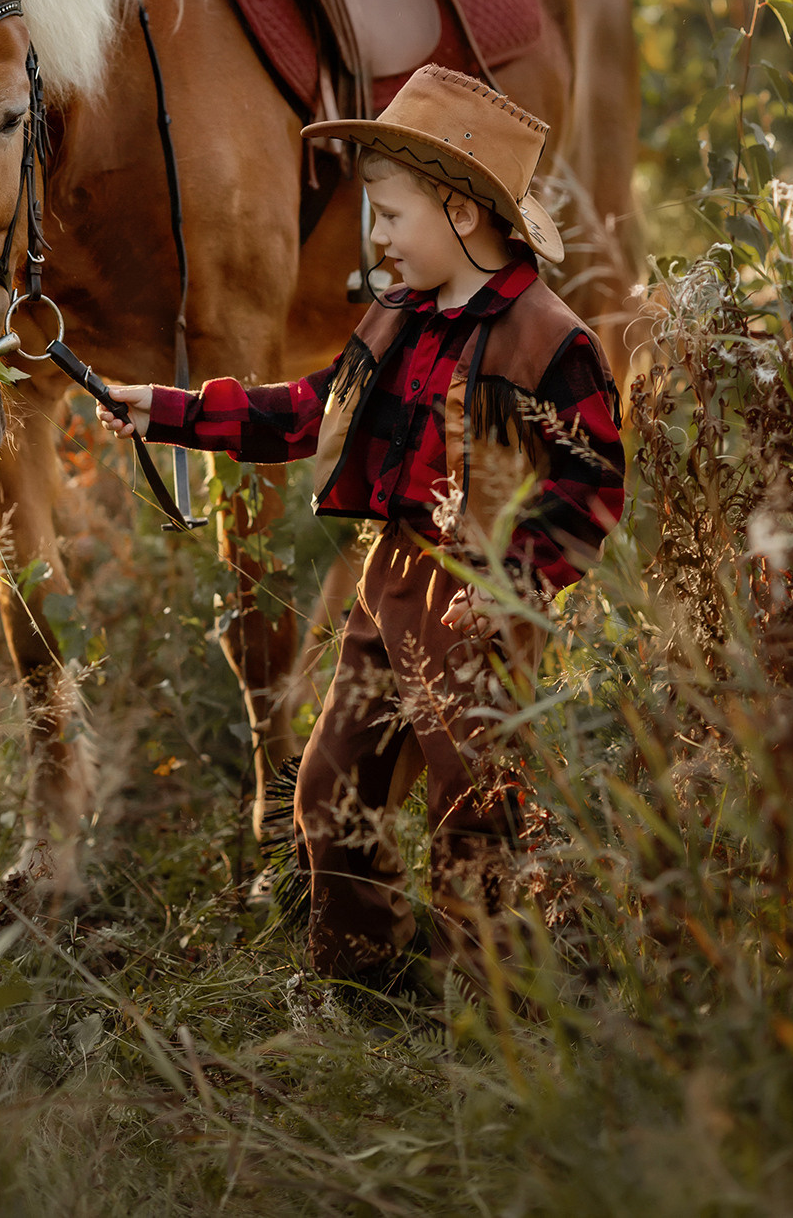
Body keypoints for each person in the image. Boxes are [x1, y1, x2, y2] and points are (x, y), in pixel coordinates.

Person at [96, 64, 625, 990]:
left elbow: (590, 490)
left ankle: (487, 998)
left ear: (463, 216)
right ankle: (362, 978)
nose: (373, 236)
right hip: (392, 585)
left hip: (479, 603)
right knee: (332, 788)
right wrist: (167, 411)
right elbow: (306, 413)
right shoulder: (398, 321)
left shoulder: (552, 342)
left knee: (473, 802)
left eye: (389, 215)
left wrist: (511, 593)